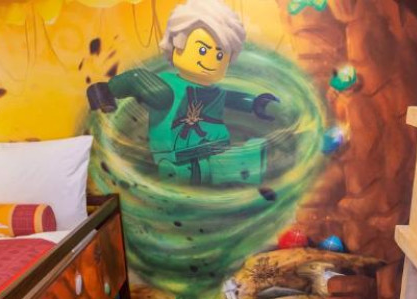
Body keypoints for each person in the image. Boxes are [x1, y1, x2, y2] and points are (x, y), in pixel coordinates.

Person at [87, 0, 279, 185]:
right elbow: (136, 78)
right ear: (178, 44)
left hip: (215, 149)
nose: (212, 61)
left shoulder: (213, 92)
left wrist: (254, 103)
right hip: (178, 158)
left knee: (225, 172)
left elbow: (229, 98)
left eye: (220, 55)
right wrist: (106, 90)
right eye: (203, 50)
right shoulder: (167, 87)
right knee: (162, 96)